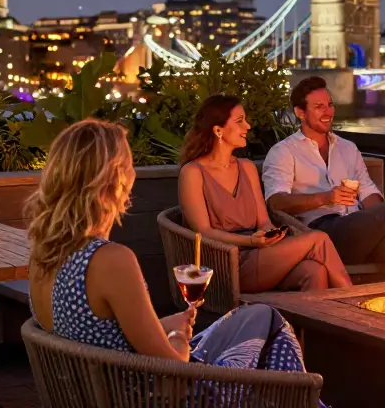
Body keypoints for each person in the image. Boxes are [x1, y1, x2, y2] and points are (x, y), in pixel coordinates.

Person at [28, 119, 315, 374]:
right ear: (114, 179)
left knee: (259, 314)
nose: (133, 174)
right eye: (129, 164)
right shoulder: (110, 260)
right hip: (158, 395)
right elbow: (174, 369)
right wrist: (178, 337)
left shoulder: (43, 256)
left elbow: (99, 333)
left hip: (104, 386)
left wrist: (166, 324)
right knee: (273, 331)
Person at [179, 95, 352, 292]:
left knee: (314, 271)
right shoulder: (193, 172)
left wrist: (272, 235)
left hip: (259, 254)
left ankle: (315, 323)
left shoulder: (247, 168)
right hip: (224, 262)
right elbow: (204, 232)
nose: (248, 126)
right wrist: (250, 241)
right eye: (239, 121)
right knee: (318, 239)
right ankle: (354, 305)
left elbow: (263, 220)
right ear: (218, 130)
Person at [264, 76, 385, 268]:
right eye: (319, 107)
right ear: (300, 112)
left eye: (330, 104)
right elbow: (275, 202)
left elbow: (367, 191)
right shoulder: (283, 152)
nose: (328, 112)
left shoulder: (347, 148)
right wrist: (326, 198)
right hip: (322, 234)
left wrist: (378, 220)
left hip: (357, 231)